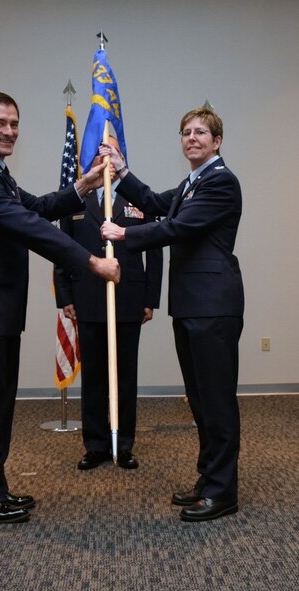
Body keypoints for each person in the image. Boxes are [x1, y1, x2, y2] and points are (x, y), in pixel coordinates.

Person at [0, 91, 120, 524]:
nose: (8, 132)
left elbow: (37, 208)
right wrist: (91, 260)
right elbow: (29, 227)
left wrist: (86, 184)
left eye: (14, 124)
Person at [100, 107, 244, 522]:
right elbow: (156, 204)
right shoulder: (193, 182)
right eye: (186, 132)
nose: (192, 138)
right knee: (200, 401)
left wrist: (125, 233)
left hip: (214, 306)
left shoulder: (221, 182)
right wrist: (123, 173)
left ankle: (223, 492)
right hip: (192, 306)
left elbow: (176, 228)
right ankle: (209, 479)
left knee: (216, 402)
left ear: (217, 141)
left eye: (201, 132)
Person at [54, 136, 163, 470]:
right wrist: (65, 297)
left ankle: (124, 443)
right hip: (86, 299)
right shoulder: (75, 202)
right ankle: (96, 445)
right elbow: (61, 251)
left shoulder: (139, 198)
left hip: (129, 299)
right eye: (99, 154)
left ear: (120, 157)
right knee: (95, 378)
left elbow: (155, 252)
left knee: (125, 375)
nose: (105, 159)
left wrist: (150, 299)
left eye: (110, 153)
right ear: (90, 159)